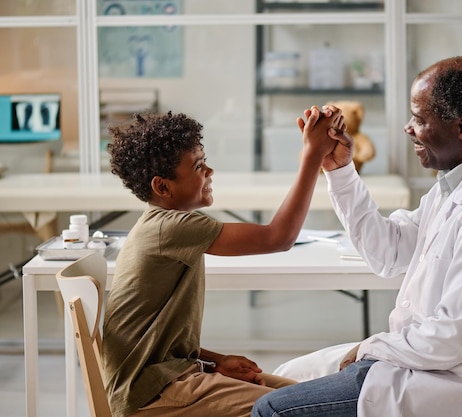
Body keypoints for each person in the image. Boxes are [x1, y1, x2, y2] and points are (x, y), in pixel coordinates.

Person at [252, 56, 462, 417]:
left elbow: (451, 339)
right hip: (421, 364)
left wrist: (371, 348)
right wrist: (341, 170)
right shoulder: (461, 186)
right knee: (270, 379)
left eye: (419, 119)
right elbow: (388, 252)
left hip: (449, 385)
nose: (408, 128)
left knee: (270, 409)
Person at [102, 108, 345, 417]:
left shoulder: (162, 225)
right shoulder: (172, 228)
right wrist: (313, 155)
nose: (210, 171)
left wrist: (215, 361)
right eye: (199, 166)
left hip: (159, 381)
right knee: (298, 407)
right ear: (162, 187)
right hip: (151, 394)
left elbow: (152, 342)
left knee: (297, 394)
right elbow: (278, 237)